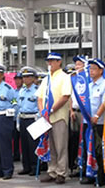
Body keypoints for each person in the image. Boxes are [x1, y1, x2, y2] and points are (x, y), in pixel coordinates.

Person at [36, 52, 72, 184]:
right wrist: (42, 111)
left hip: (58, 116)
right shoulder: (46, 79)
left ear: (59, 62)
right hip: (47, 117)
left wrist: (51, 109)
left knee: (60, 145)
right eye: (48, 61)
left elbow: (65, 96)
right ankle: (52, 170)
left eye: (52, 61)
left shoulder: (64, 77)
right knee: (50, 145)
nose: (50, 63)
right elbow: (39, 97)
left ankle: (61, 172)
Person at [80, 59, 105, 186]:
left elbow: (104, 102)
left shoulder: (104, 85)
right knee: (87, 149)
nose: (91, 71)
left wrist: (97, 115)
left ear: (101, 70)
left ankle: (101, 177)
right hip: (87, 121)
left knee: (99, 151)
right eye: (90, 69)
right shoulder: (89, 86)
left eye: (94, 68)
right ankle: (90, 174)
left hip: (99, 123)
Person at [17, 67, 39, 176]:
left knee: (32, 145)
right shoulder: (21, 91)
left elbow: (40, 106)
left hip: (32, 118)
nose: (25, 79)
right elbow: (18, 106)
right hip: (22, 118)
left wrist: (38, 118)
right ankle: (26, 166)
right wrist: (17, 121)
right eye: (24, 77)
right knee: (24, 144)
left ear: (33, 78)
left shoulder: (37, 90)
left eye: (28, 77)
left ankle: (34, 167)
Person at [69, 56, 87, 176]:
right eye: (76, 64)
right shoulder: (73, 79)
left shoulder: (87, 79)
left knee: (84, 141)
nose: (77, 67)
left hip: (84, 113)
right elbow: (71, 97)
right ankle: (76, 166)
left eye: (80, 64)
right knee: (74, 140)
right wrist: (71, 111)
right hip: (74, 112)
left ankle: (86, 167)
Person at [12, 73, 22, 162]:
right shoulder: (13, 92)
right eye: (16, 79)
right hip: (15, 118)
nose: (17, 81)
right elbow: (13, 103)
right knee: (15, 138)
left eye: (19, 79)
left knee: (25, 139)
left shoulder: (24, 91)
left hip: (23, 117)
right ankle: (16, 155)